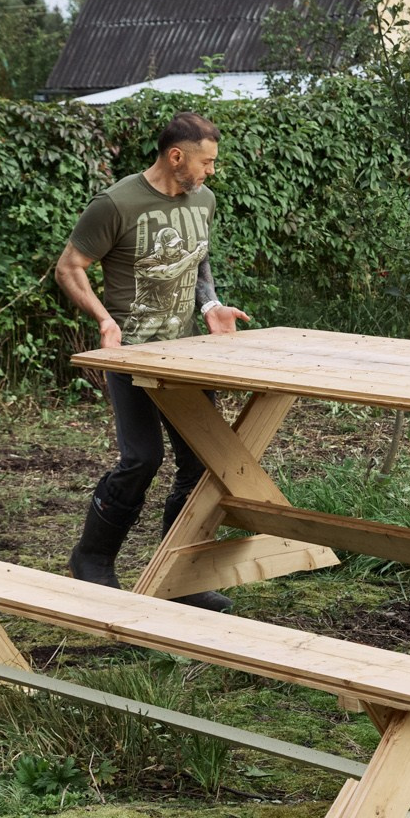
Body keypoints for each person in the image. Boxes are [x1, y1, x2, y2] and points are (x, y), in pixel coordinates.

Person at [53, 111, 250, 611]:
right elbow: (69, 267)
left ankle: (178, 576)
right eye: (206, 162)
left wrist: (210, 305)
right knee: (142, 459)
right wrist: (104, 321)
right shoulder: (117, 203)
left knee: (199, 461)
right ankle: (91, 560)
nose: (210, 172)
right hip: (132, 355)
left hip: (185, 354)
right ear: (176, 156)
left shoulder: (202, 199)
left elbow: (198, 258)